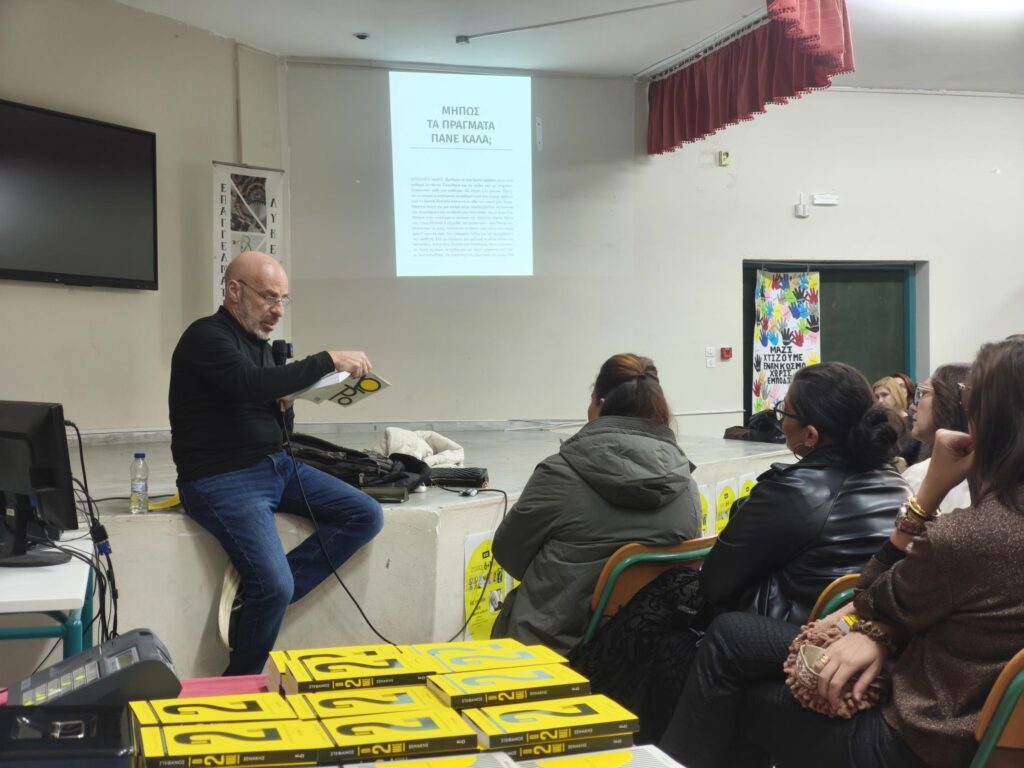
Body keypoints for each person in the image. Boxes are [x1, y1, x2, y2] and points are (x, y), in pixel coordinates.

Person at [659, 337, 1024, 768]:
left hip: (915, 740)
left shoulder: (968, 535)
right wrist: (880, 634)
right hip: (984, 732)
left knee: (741, 681)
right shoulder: (900, 485)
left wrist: (929, 493)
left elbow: (869, 597)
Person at [571, 361, 910, 743]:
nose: (780, 422)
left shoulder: (796, 490)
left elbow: (716, 583)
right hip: (859, 632)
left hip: (795, 636)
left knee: (653, 621)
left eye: (785, 414)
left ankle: (608, 731)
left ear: (810, 435)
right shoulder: (897, 484)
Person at [168, 251, 384, 676]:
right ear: (234, 291)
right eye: (269, 297)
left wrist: (288, 403)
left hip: (276, 467)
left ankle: (256, 602)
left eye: (283, 299)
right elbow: (249, 384)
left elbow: (269, 408)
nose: (278, 311)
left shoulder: (263, 350)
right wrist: (326, 360)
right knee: (275, 585)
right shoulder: (205, 336)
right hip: (221, 479)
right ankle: (238, 682)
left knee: (365, 515)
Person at [490, 353, 701, 656]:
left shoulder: (560, 474)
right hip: (646, 654)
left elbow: (508, 554)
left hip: (553, 652)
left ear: (600, 404)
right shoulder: (687, 486)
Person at [902, 363, 971, 510]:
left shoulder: (917, 478)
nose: (913, 405)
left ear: (948, 401)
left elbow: (901, 526)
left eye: (923, 393)